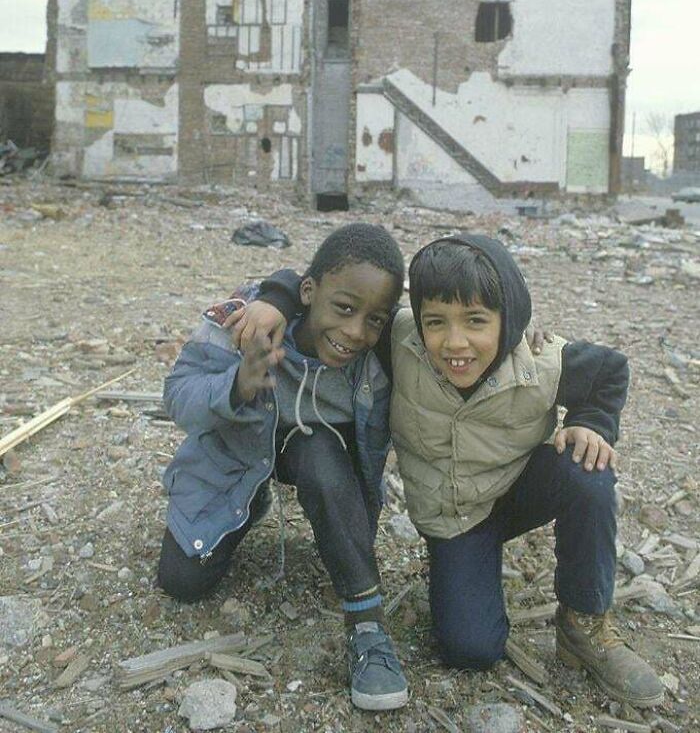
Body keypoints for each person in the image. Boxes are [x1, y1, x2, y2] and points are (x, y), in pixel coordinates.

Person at [240, 233, 664, 710]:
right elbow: (330, 292)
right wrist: (275, 298)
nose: (454, 342)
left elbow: (610, 372)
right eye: (436, 322)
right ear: (418, 321)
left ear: (510, 320)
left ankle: (585, 624)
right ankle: (475, 576)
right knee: (472, 649)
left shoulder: (542, 361)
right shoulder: (398, 341)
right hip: (457, 520)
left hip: (522, 490)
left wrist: (592, 424)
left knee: (588, 468)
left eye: (477, 321)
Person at [156, 222, 409, 712]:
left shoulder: (382, 351)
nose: (356, 332)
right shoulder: (243, 322)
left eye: (373, 319)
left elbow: (454, 325)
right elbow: (177, 396)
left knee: (318, 453)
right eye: (343, 309)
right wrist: (236, 386)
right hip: (237, 458)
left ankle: (368, 626)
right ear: (308, 293)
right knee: (181, 583)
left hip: (322, 461)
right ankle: (249, 505)